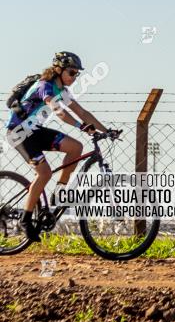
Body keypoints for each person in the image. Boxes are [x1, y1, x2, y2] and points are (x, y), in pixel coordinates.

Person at [5, 51, 110, 242]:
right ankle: (26, 219)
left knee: (75, 147)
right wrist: (81, 126)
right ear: (59, 70)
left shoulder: (63, 91)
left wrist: (107, 130)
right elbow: (58, 112)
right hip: (19, 133)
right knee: (44, 173)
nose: (75, 77)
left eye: (77, 74)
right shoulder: (45, 85)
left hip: (34, 130)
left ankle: (60, 191)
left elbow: (82, 112)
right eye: (72, 72)